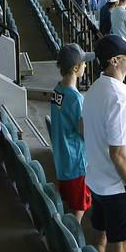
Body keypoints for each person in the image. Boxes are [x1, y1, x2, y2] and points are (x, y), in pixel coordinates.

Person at [82, 34, 126, 252]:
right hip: (118, 188)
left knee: (100, 239)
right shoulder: (117, 97)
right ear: (114, 61)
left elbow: (81, 128)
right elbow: (117, 153)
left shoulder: (95, 88)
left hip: (98, 182)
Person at [49, 43, 94, 223]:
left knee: (70, 203)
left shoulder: (57, 91)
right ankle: (72, 241)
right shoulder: (76, 99)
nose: (85, 66)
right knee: (79, 208)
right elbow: (84, 131)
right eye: (83, 63)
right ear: (76, 68)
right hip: (76, 162)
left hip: (62, 159)